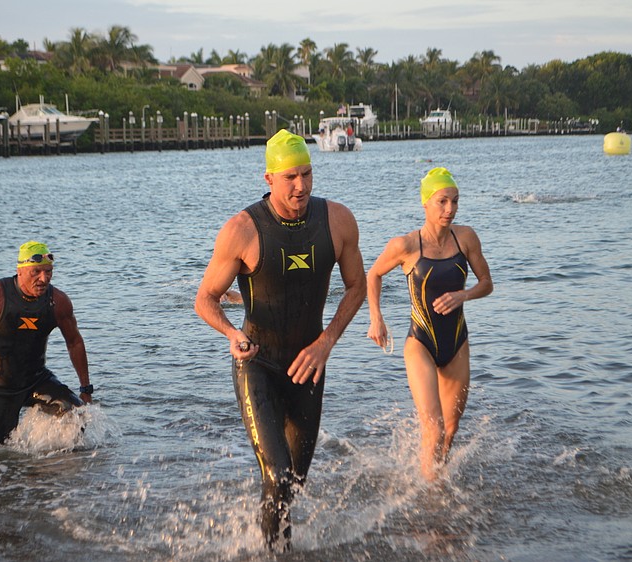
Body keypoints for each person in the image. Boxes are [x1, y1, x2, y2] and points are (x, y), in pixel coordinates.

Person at [194, 129, 366, 551]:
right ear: (268, 178)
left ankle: (272, 542)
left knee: (295, 481)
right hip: (258, 363)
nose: (301, 186)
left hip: (308, 364)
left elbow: (358, 286)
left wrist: (326, 342)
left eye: (307, 174)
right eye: (290, 177)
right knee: (277, 473)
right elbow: (205, 299)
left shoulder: (338, 220)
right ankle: (276, 556)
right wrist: (232, 333)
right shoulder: (242, 230)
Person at [366, 167, 492, 480]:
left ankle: (435, 478)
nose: (450, 209)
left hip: (457, 342)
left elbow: (487, 283)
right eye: (442, 201)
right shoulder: (406, 246)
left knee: (450, 429)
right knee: (433, 428)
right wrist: (376, 318)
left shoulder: (466, 239)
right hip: (420, 343)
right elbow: (374, 274)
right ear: (425, 204)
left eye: (455, 201)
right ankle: (430, 495)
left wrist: (464, 296)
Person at [0, 240, 93, 446]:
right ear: (20, 270)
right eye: (36, 272)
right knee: (1, 455)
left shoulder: (58, 302)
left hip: (37, 380)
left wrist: (85, 388)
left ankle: (62, 470)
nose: (44, 279)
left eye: (48, 272)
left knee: (76, 415)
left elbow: (74, 342)